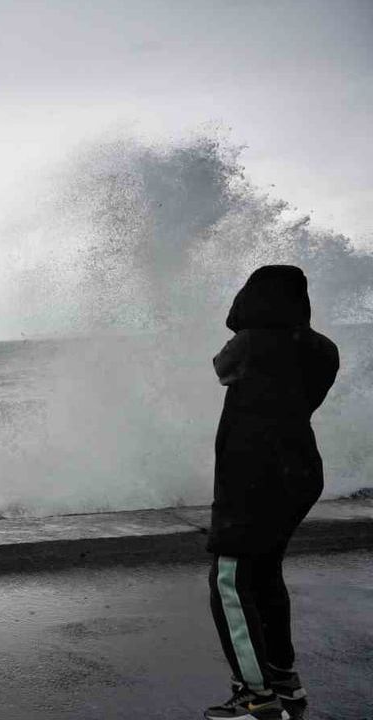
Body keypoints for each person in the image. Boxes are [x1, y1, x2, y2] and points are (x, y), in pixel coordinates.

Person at [204, 266, 339, 720]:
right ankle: (284, 680)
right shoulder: (323, 350)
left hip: (253, 474)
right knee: (264, 575)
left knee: (230, 579)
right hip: (300, 471)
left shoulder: (249, 343)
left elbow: (221, 370)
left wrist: (245, 327)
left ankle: (256, 697)